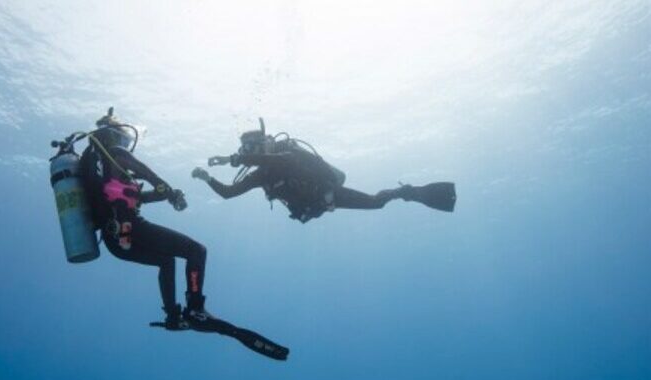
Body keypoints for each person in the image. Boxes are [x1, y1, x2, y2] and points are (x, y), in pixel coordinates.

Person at [79, 111, 212, 330]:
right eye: (124, 139)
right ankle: (196, 309)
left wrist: (165, 194)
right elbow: (152, 177)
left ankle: (173, 317)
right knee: (197, 251)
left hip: (116, 243)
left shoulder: (99, 168)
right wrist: (171, 194)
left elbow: (139, 198)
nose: (126, 145)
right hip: (131, 228)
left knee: (166, 261)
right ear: (115, 135)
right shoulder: (117, 153)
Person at [193, 120, 457, 223]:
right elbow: (228, 193)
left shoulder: (287, 152)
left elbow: (279, 162)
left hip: (328, 193)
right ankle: (408, 193)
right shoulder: (259, 175)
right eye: (245, 148)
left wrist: (233, 158)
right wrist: (208, 179)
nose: (248, 152)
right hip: (314, 207)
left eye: (252, 146)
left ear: (265, 143)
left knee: (376, 203)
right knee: (374, 205)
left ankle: (409, 192)